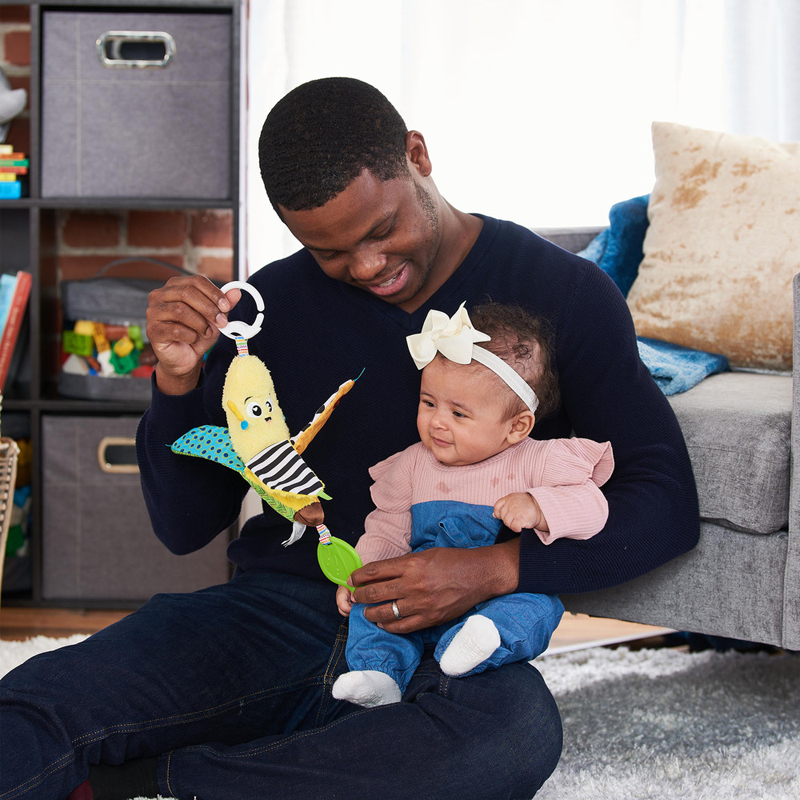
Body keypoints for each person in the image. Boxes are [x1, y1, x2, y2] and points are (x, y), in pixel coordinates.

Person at [0, 77, 699, 800]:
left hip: (444, 631)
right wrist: (175, 381)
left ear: (417, 155)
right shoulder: (271, 307)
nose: (366, 267)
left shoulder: (564, 291)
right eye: (327, 250)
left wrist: (495, 570)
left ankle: (160, 783)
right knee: (34, 704)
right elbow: (184, 527)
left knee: (510, 734)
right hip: (274, 612)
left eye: (381, 230)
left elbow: (665, 499)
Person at [333, 301, 614, 708]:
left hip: (494, 598)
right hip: (417, 594)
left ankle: (480, 642)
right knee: (371, 611)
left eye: (459, 414)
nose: (437, 422)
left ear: (516, 426)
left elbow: (594, 508)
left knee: (539, 606)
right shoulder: (412, 464)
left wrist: (539, 506)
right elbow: (387, 527)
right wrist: (362, 575)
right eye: (429, 403)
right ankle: (380, 675)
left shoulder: (538, 461)